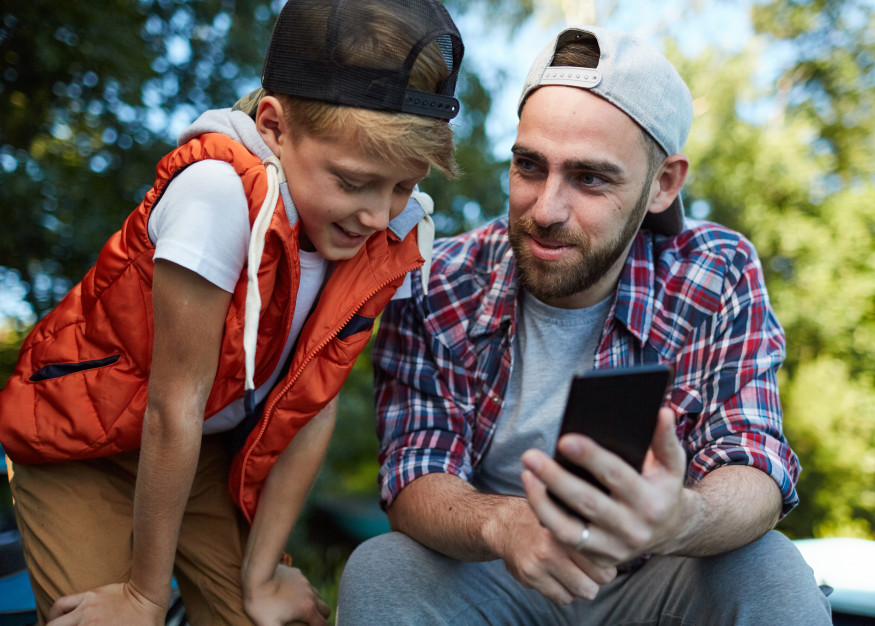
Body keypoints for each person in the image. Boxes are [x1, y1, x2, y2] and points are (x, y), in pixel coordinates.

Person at [337, 25, 832, 624]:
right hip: (496, 577)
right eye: (528, 166)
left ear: (663, 184)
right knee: (383, 568)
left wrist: (681, 517)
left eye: (590, 177)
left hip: (655, 576)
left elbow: (753, 459)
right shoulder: (436, 278)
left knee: (770, 569)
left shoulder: (717, 271)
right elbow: (416, 471)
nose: (546, 210)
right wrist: (506, 523)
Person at [0, 0, 463, 624]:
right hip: (82, 443)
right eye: (353, 182)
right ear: (273, 127)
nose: (379, 214)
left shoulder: (386, 231)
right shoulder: (217, 194)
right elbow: (174, 405)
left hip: (199, 460)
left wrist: (262, 573)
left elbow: (313, 405)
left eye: (403, 185)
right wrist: (144, 596)